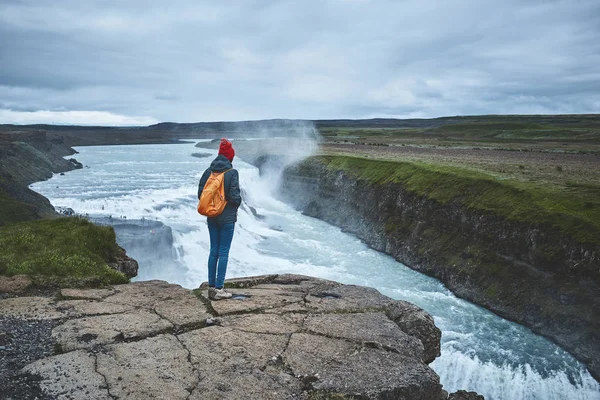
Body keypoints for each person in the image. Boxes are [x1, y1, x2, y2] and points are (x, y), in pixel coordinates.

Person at [198, 138, 242, 300]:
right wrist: (234, 203)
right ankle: (219, 289)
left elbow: (200, 195)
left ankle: (211, 287)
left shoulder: (208, 171)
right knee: (223, 252)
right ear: (230, 157)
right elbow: (234, 197)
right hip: (227, 218)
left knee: (213, 251)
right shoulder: (232, 173)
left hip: (211, 216)